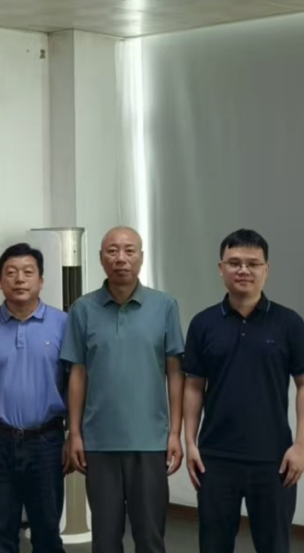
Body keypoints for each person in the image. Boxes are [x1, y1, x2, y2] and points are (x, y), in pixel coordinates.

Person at [183, 229, 304, 553]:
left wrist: (301, 447)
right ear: (221, 268)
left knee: (274, 545)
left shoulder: (288, 323)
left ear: (266, 269)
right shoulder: (203, 324)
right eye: (234, 263)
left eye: (253, 263)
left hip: (274, 459)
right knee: (213, 545)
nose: (243, 270)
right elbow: (193, 387)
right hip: (215, 459)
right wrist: (190, 443)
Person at [61, 226, 185, 553]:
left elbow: (175, 372)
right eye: (112, 251)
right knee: (105, 539)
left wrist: (175, 433)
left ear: (141, 257)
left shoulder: (164, 306)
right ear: (101, 258)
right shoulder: (82, 309)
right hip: (99, 442)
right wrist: (75, 433)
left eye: (129, 251)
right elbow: (77, 374)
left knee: (150, 538)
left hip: (150, 440)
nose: (121, 258)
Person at [0, 243, 70, 553]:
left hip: (46, 441)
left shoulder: (63, 324)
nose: (19, 279)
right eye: (11, 273)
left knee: (47, 532)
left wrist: (74, 435)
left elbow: (76, 383)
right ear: (0, 281)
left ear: (41, 280)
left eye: (27, 272)